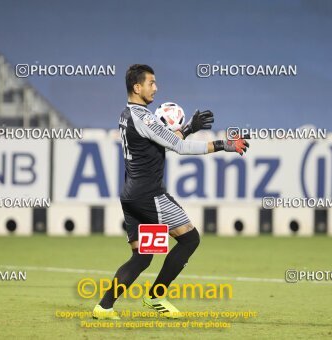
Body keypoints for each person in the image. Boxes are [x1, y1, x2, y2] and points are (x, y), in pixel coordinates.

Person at [92, 64, 249, 319]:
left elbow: (159, 141)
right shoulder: (144, 117)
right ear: (137, 87)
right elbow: (179, 146)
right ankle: (156, 297)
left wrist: (188, 128)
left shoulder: (127, 114)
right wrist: (223, 144)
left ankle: (104, 306)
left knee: (142, 257)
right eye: (151, 83)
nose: (156, 87)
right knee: (190, 238)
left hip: (130, 196)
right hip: (148, 196)